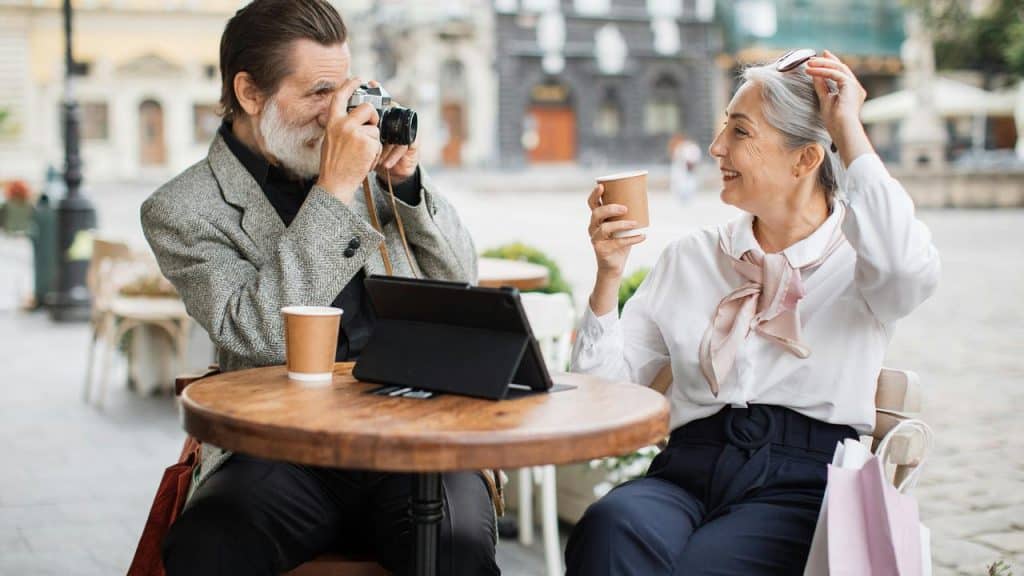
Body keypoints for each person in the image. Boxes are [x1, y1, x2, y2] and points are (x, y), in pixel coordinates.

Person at [140, 1, 498, 574]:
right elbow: (254, 333)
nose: (339, 114)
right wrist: (333, 191)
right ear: (251, 94)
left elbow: (461, 281)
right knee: (210, 542)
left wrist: (405, 188)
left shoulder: (371, 166)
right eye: (317, 93)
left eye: (345, 90)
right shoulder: (183, 209)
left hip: (408, 433)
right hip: (280, 447)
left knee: (455, 546)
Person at [565, 49, 941, 575]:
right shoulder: (692, 257)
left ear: (806, 159)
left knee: (705, 566)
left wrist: (848, 129)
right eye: (724, 128)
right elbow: (602, 395)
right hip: (685, 471)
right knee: (609, 528)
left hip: (802, 485)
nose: (717, 147)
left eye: (740, 132)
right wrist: (608, 275)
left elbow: (908, 265)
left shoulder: (864, 263)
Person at [668, 132, 701, 202]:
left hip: (687, 170)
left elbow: (693, 159)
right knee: (680, 182)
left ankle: (687, 196)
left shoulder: (689, 147)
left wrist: (690, 165)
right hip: (681, 169)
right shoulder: (680, 147)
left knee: (688, 182)